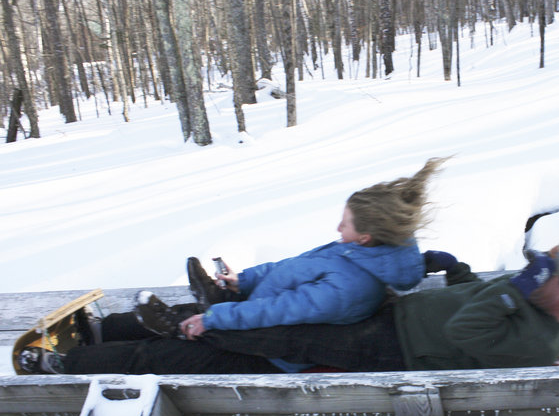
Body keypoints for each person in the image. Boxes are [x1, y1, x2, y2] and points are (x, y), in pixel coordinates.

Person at [18, 157, 449, 375]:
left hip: (270, 354)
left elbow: (281, 313)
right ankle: (102, 332)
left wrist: (217, 317)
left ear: (367, 235)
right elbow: (292, 268)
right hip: (258, 324)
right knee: (181, 319)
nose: (338, 226)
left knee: (164, 355)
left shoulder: (352, 286)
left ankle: (67, 368)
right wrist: (244, 278)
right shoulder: (356, 252)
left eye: (346, 222)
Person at [27, 239, 559, 375]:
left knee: (248, 333)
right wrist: (453, 268)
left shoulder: (539, 340)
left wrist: (507, 288)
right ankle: (116, 330)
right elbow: (471, 296)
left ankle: (77, 364)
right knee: (278, 302)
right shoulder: (528, 292)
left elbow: (468, 325)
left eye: (546, 270)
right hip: (389, 314)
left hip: (384, 348)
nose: (533, 272)